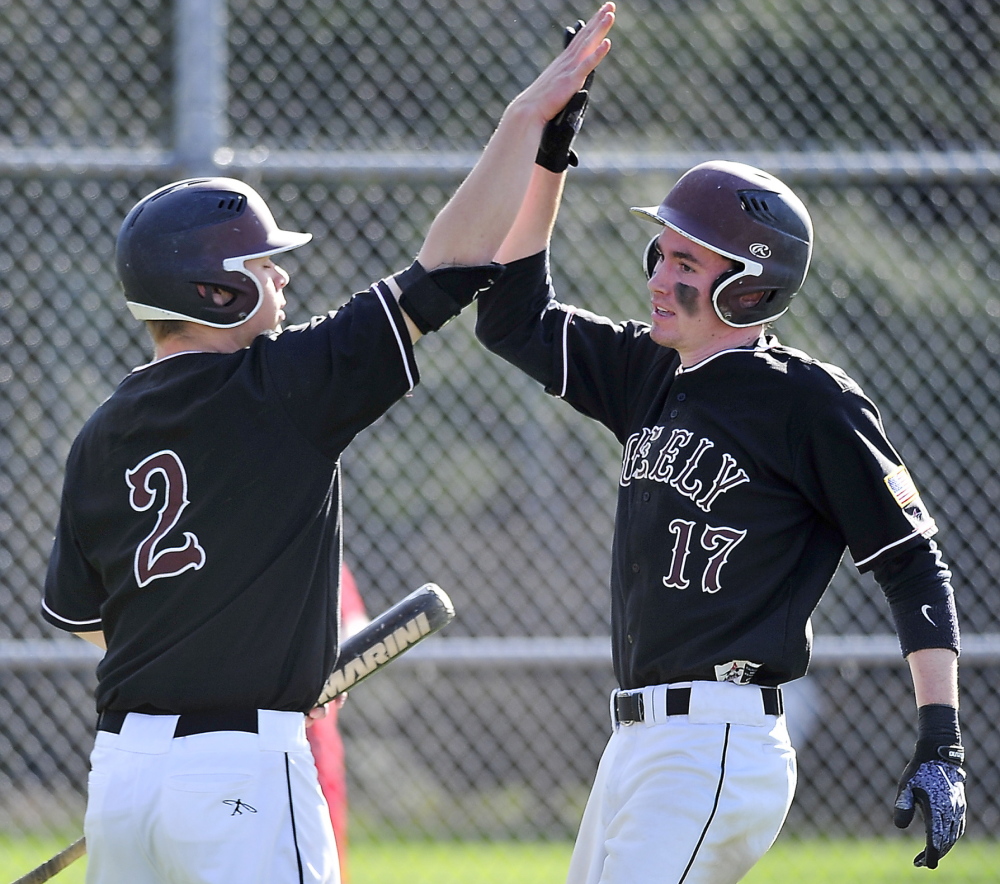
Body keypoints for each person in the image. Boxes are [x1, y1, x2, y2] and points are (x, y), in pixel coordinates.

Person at [38, 7, 615, 883]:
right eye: (263, 264)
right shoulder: (286, 386)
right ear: (217, 289)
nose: (283, 275)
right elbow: (454, 266)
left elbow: (86, 622)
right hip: (243, 773)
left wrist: (197, 664)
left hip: (124, 777)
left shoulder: (101, 430)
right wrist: (521, 125)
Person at [475, 136, 967, 881]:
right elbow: (510, 318)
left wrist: (941, 741)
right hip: (638, 745)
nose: (658, 280)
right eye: (661, 255)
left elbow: (912, 565)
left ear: (749, 288)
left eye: (686, 264)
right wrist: (549, 157)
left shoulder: (809, 402)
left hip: (714, 744)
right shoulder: (649, 369)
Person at [307, 563, 369, 884]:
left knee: (323, 854)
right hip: (249, 732)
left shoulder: (321, 551)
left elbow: (355, 623)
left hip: (314, 740)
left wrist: (330, 674)